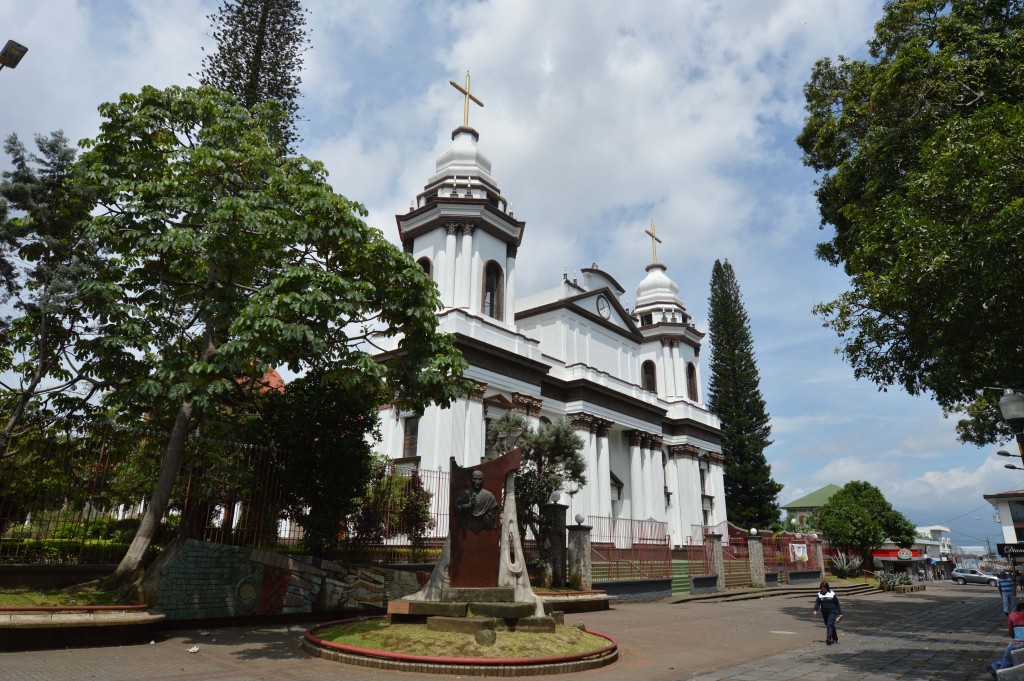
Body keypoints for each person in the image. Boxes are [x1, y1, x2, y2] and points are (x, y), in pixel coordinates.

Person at [991, 602, 1024, 675]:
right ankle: (996, 666)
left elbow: (1011, 634)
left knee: (1007, 658)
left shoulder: (1012, 615)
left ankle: (998, 670)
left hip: (1018, 644)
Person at [812, 580, 843, 645]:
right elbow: (817, 603)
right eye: (821, 587)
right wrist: (815, 610)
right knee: (829, 624)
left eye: (822, 587)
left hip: (832, 612)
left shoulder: (832, 594)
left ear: (826, 587)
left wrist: (840, 613)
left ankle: (828, 639)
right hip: (824, 612)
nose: (821, 589)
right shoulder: (819, 594)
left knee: (829, 624)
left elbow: (837, 603)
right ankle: (835, 638)